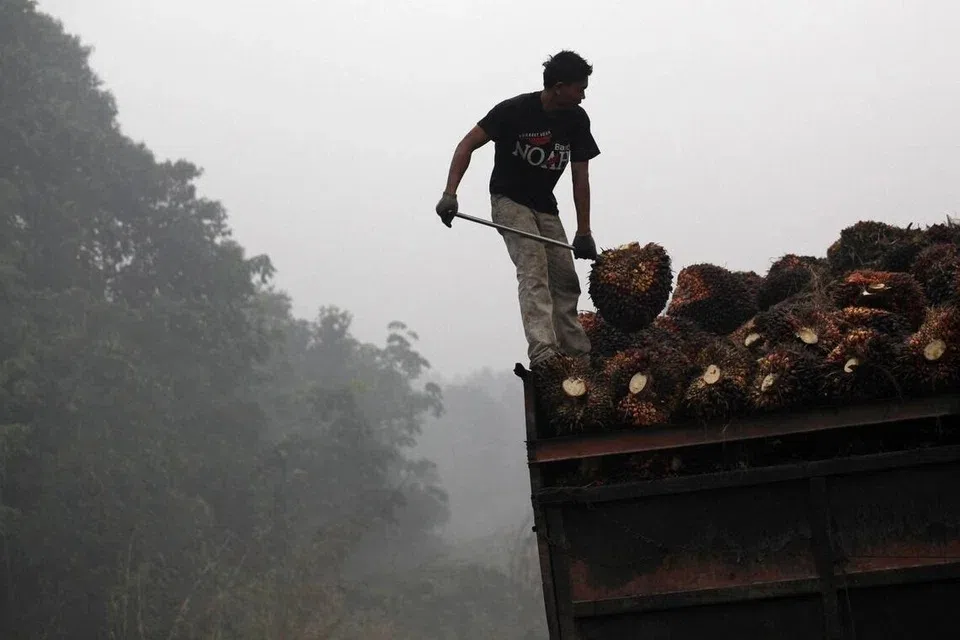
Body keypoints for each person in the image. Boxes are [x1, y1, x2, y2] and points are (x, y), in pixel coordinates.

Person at [435, 50, 601, 369]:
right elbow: (466, 145)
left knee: (565, 278)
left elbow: (580, 176)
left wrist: (584, 232)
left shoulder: (577, 120)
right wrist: (449, 194)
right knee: (533, 266)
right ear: (559, 86)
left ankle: (577, 355)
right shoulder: (513, 111)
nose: (584, 94)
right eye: (580, 88)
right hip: (509, 201)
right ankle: (544, 351)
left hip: (545, 206)